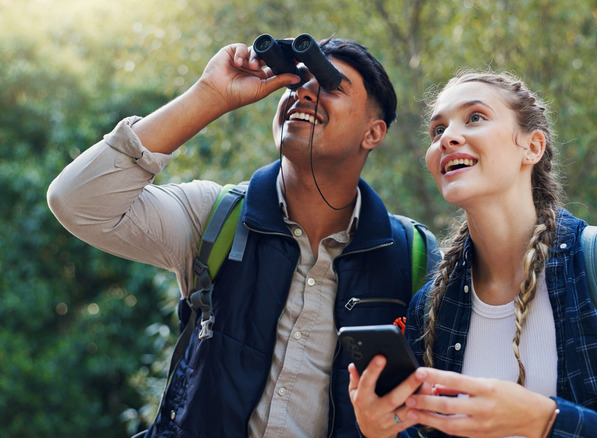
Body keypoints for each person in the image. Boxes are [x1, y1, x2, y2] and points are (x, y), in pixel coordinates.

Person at [47, 36, 438, 437]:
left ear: (373, 133)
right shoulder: (216, 216)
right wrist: (210, 95)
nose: (304, 93)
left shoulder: (412, 256)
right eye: (297, 81)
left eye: (329, 84)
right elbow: (77, 201)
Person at [347, 70, 597, 437]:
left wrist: (544, 421)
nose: (448, 138)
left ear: (533, 147)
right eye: (438, 130)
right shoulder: (431, 307)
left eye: (475, 117)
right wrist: (382, 432)